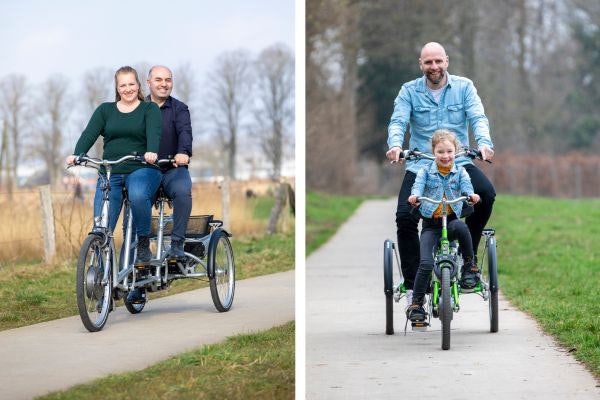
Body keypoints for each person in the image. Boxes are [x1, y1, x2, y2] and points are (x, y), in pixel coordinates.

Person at [386, 42, 496, 308]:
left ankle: (467, 261)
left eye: (438, 61)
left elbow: (477, 117)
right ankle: (414, 285)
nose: (433, 67)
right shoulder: (409, 91)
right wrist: (395, 145)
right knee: (404, 217)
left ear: (446, 61)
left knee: (487, 194)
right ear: (420, 65)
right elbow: (398, 121)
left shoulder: (464, 87)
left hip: (457, 162)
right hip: (421, 165)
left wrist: (484, 143)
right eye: (428, 62)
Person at [66, 66, 162, 269]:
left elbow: (154, 133)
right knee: (101, 226)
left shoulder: (149, 109)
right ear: (117, 88)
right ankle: (102, 276)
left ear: (138, 85)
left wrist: (151, 151)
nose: (128, 89)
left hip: (142, 168)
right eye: (123, 85)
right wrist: (77, 154)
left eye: (131, 84)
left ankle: (144, 244)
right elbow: (89, 134)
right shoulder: (105, 110)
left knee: (137, 194)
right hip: (111, 171)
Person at [405, 130, 480, 321]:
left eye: (449, 152)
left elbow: (467, 186)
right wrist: (414, 196)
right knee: (426, 263)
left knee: (463, 229)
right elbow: (418, 186)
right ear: (433, 152)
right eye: (440, 152)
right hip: (431, 226)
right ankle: (417, 304)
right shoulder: (424, 171)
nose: (445, 156)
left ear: (455, 152)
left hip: (452, 221)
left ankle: (469, 265)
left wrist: (471, 195)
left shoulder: (461, 171)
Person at [146, 65, 193, 258]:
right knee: (135, 197)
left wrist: (183, 152)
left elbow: (185, 132)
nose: (163, 84)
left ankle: (176, 245)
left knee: (183, 191)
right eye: (158, 80)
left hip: (172, 168)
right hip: (145, 170)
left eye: (168, 80)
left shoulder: (180, 109)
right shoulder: (140, 109)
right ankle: (138, 247)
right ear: (149, 83)